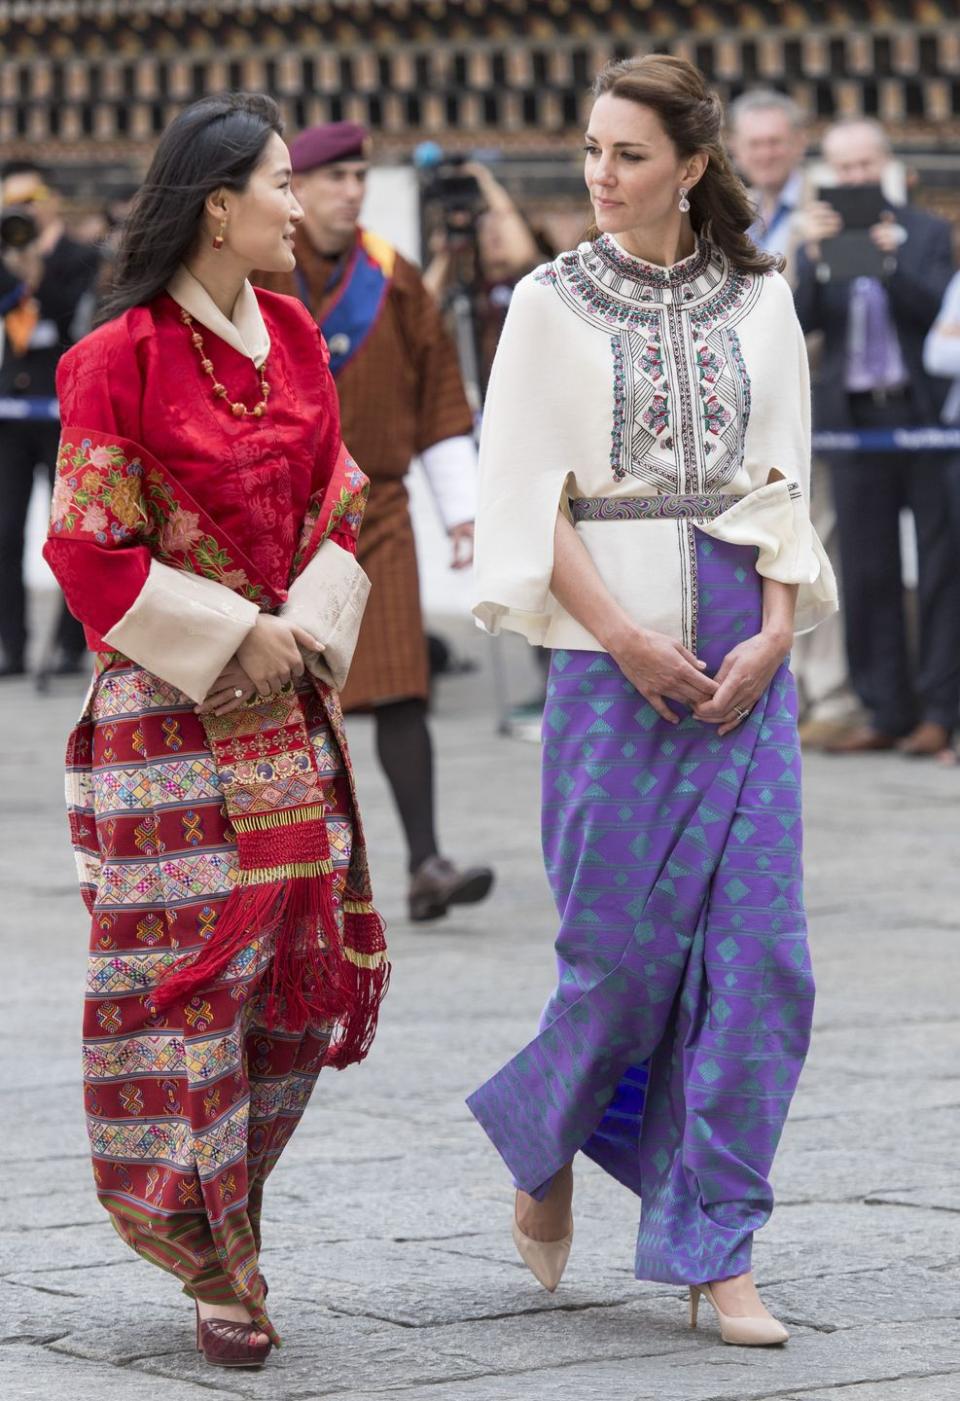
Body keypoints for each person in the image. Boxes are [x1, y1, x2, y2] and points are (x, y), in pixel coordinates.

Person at [466, 54, 837, 1347]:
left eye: (627, 154)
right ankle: (543, 1127)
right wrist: (621, 637)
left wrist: (778, 631)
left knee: (765, 966)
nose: (600, 176)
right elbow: (527, 500)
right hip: (603, 661)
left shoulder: (763, 298)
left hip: (747, 665)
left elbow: (786, 482)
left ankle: (717, 1246)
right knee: (619, 964)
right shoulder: (546, 303)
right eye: (589, 151)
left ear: (691, 165)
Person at [42, 94, 389, 1369]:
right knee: (186, 990)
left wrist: (295, 623)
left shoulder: (297, 336)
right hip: (166, 718)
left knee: (287, 1002)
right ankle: (218, 1258)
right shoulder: (113, 358)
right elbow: (85, 550)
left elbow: (342, 514)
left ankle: (229, 1202)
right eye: (283, 185)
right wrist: (228, 631)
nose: (301, 207)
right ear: (217, 207)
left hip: (286, 702)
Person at [258, 122, 494, 923]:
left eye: (359, 175)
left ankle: (426, 859)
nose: (350, 190)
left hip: (376, 510)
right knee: (281, 697)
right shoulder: (254, 276)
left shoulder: (394, 281)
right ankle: (291, 876)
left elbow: (437, 394)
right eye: (332, 177)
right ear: (297, 191)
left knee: (399, 687)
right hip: (273, 517)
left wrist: (462, 510)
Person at [793, 119, 960, 756]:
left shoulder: (926, 232)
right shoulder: (817, 237)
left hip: (921, 420)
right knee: (865, 569)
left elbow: (940, 313)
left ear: (887, 168)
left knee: (941, 566)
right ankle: (883, 707)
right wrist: (808, 261)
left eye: (866, 167)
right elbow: (797, 322)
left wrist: (890, 265)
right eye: (845, 169)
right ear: (830, 175)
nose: (857, 179)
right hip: (853, 421)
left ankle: (940, 709)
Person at [729, 90, 859, 748]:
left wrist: (812, 255)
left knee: (818, 540)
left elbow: (856, 294)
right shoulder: (733, 216)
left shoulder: (833, 206)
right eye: (754, 145)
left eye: (777, 142)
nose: (766, 154)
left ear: (798, 144)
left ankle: (831, 692)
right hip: (747, 410)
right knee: (762, 548)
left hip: (819, 401)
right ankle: (786, 686)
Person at [0, 161, 101, 676]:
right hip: (10, 418)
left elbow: (76, 319)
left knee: (69, 531)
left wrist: (37, 275)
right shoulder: (2, 256)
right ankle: (10, 646)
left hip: (64, 412)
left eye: (29, 201)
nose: (22, 213)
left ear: (51, 201)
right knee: (5, 531)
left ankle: (68, 644)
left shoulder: (81, 258)